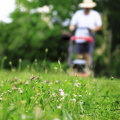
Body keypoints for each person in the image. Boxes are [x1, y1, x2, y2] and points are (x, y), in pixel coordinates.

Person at [69, 0, 102, 73]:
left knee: (88, 53)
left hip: (89, 37)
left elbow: (99, 26)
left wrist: (92, 29)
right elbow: (72, 23)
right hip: (79, 36)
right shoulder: (78, 14)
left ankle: (89, 70)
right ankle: (78, 69)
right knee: (79, 53)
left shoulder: (95, 14)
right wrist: (72, 27)